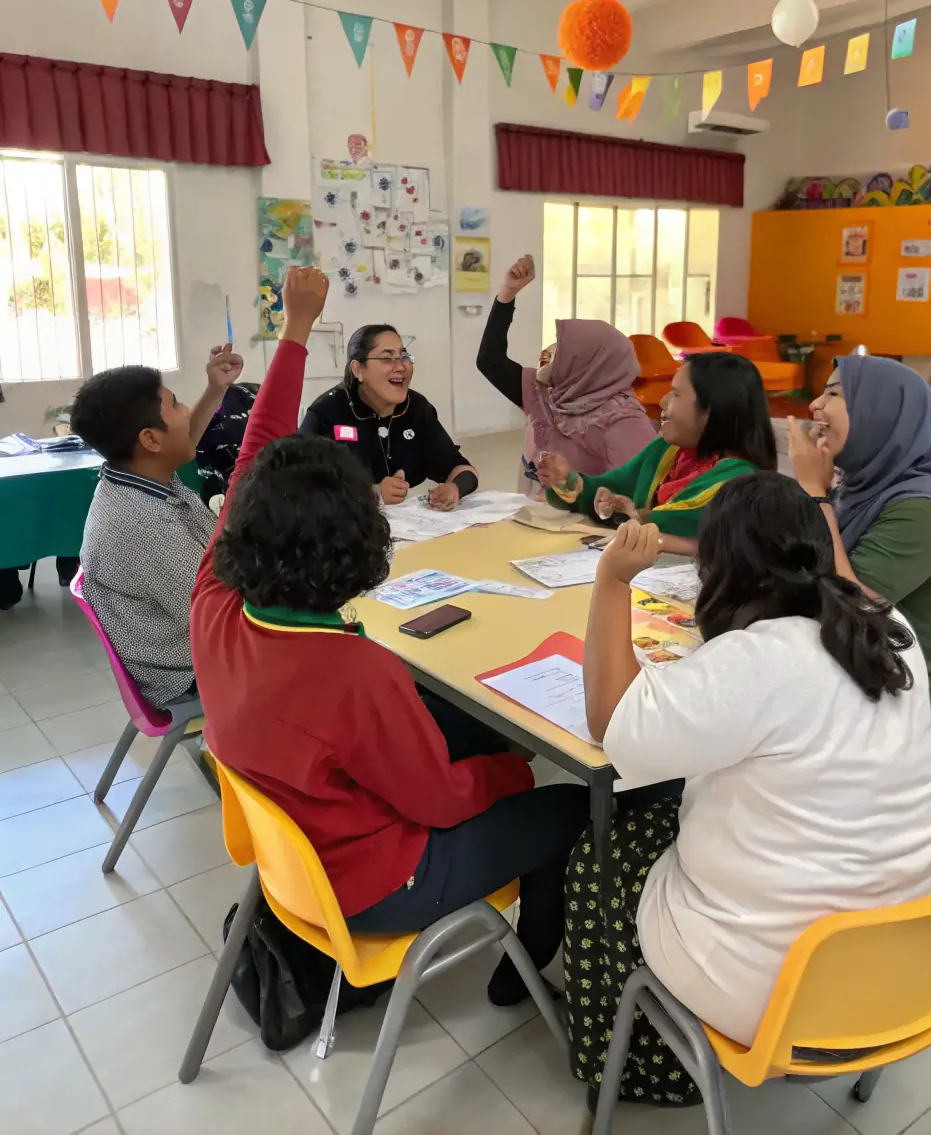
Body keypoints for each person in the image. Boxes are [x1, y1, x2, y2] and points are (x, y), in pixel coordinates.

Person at [192, 268, 589, 1006]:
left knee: (462, 721)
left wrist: (296, 332)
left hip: (297, 846)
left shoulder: (213, 604)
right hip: (379, 880)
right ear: (357, 549)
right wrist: (515, 770)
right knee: (563, 805)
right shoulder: (355, 669)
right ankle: (526, 972)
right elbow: (438, 801)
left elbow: (253, 458)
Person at [564, 477, 931, 1108]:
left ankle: (643, 1073)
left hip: (781, 985)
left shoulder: (750, 662)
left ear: (720, 570)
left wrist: (612, 582)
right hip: (924, 955)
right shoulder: (889, 629)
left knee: (599, 858)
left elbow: (612, 723)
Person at [788, 355, 931, 763]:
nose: (815, 405)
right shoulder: (860, 485)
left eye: (833, 394)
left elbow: (853, 603)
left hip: (906, 707)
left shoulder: (925, 507)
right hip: (851, 671)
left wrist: (813, 492)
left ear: (882, 413)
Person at [70, 345, 244, 706]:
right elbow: (222, 618)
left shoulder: (135, 474)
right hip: (193, 674)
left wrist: (216, 387)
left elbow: (183, 439)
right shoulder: (141, 527)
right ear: (150, 439)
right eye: (175, 405)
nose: (185, 412)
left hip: (192, 643)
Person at [538, 350, 776, 553]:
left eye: (675, 393)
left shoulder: (740, 479)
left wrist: (631, 514)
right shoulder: (667, 450)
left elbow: (682, 520)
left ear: (711, 409)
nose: (662, 402)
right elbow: (612, 486)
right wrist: (568, 481)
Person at [476, 255, 653, 496]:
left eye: (561, 350)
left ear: (590, 365)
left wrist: (571, 484)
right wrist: (508, 293)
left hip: (580, 524)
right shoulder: (549, 394)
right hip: (536, 509)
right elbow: (489, 360)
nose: (548, 353)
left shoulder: (623, 422)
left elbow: (635, 495)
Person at [300, 324, 479, 508]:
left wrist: (454, 488)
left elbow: (461, 467)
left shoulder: (417, 408)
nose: (401, 366)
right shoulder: (327, 412)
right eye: (387, 358)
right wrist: (372, 494)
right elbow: (298, 489)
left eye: (404, 357)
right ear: (358, 369)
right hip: (344, 528)